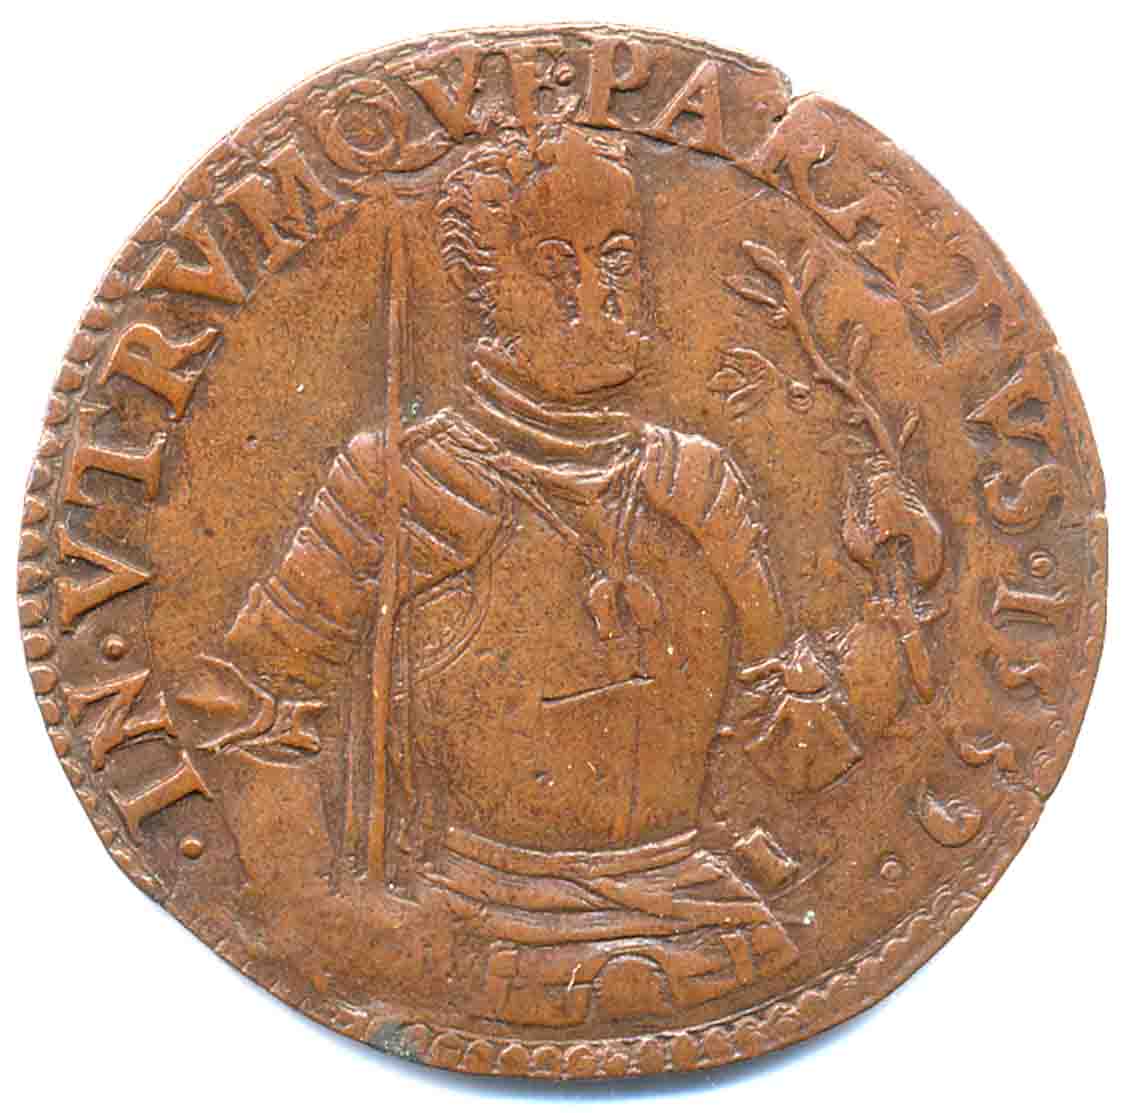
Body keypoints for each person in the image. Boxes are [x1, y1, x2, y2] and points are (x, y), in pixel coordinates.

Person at [192, 122, 938, 1026]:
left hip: (717, 943)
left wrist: (894, 600)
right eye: (555, 264)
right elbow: (252, 708)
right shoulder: (403, 486)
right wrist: (325, 913)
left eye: (618, 257)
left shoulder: (698, 485)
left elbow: (793, 747)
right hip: (472, 942)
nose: (599, 292)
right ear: (485, 292)